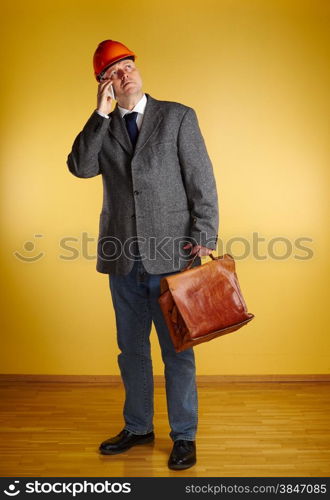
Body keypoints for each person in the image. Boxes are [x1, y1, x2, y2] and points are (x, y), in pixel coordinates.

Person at [67, 40, 219, 470]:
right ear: (105, 84)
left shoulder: (177, 117)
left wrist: (204, 234)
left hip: (174, 257)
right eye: (115, 72)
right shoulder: (104, 126)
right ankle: (138, 427)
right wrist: (100, 114)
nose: (126, 74)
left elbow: (202, 180)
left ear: (138, 70)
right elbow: (80, 167)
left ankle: (184, 436)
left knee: (177, 351)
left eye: (129, 65)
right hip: (122, 259)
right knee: (130, 350)